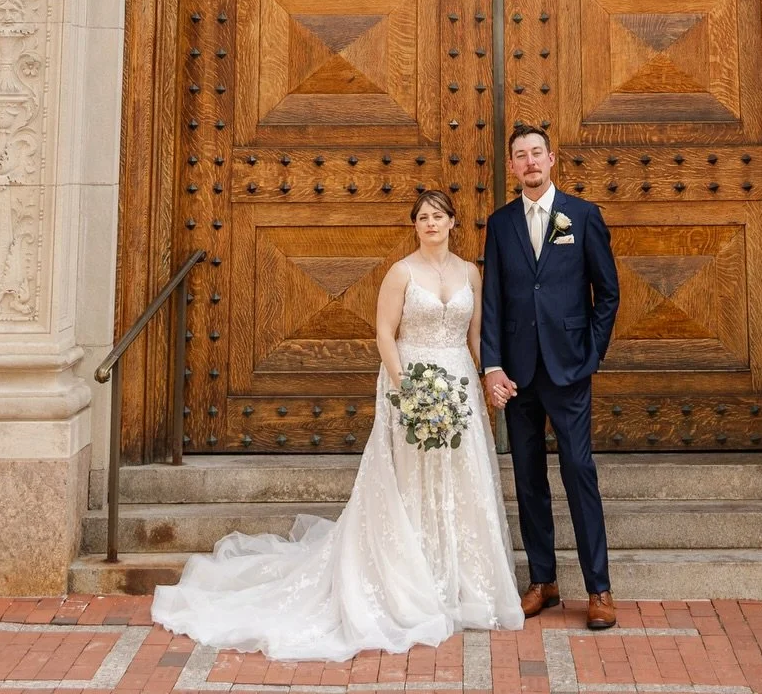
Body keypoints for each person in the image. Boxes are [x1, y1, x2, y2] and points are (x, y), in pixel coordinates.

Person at [152, 187, 524, 660]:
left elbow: (475, 337)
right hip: (411, 381)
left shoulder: (471, 273)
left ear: (454, 222)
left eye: (438, 216)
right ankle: (413, 581)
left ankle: (460, 581)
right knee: (411, 480)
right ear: (415, 226)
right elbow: (385, 334)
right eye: (423, 217)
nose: (431, 223)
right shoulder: (400, 273)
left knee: (460, 481)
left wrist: (489, 373)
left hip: (458, 386)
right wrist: (406, 388)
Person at [480, 122, 621, 631]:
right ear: (513, 166)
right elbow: (492, 300)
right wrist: (491, 366)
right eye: (521, 155)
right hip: (517, 374)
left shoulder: (583, 216)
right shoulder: (500, 225)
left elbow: (607, 292)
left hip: (568, 369)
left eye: (537, 152)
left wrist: (592, 354)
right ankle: (543, 580)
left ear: (552, 158)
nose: (530, 161)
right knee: (528, 478)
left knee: (579, 472)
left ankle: (598, 588)